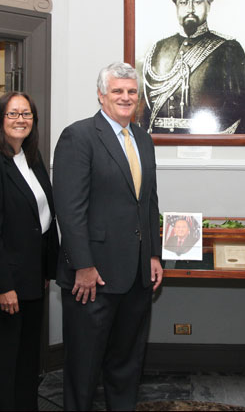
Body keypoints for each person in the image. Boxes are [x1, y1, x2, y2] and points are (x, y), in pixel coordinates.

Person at [53, 62, 163, 410]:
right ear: (102, 95)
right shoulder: (79, 136)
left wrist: (153, 255)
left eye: (132, 92)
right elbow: (69, 211)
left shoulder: (143, 139)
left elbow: (148, 202)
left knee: (127, 365)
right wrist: (82, 266)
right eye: (117, 91)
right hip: (93, 278)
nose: (126, 97)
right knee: (83, 369)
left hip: (136, 277)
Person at [0, 92, 59, 410]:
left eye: (27, 114)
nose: (21, 119)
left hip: (33, 279)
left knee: (26, 362)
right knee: (0, 364)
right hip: (4, 285)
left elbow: (44, 220)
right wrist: (4, 285)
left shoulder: (32, 157)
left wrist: (46, 271)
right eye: (13, 114)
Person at [138, 0, 245, 134]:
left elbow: (243, 111)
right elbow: (145, 109)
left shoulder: (228, 48)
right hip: (160, 141)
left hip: (209, 141)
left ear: (209, 6)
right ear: (176, 6)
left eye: (197, 2)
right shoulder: (159, 48)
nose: (190, 9)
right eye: (184, 2)